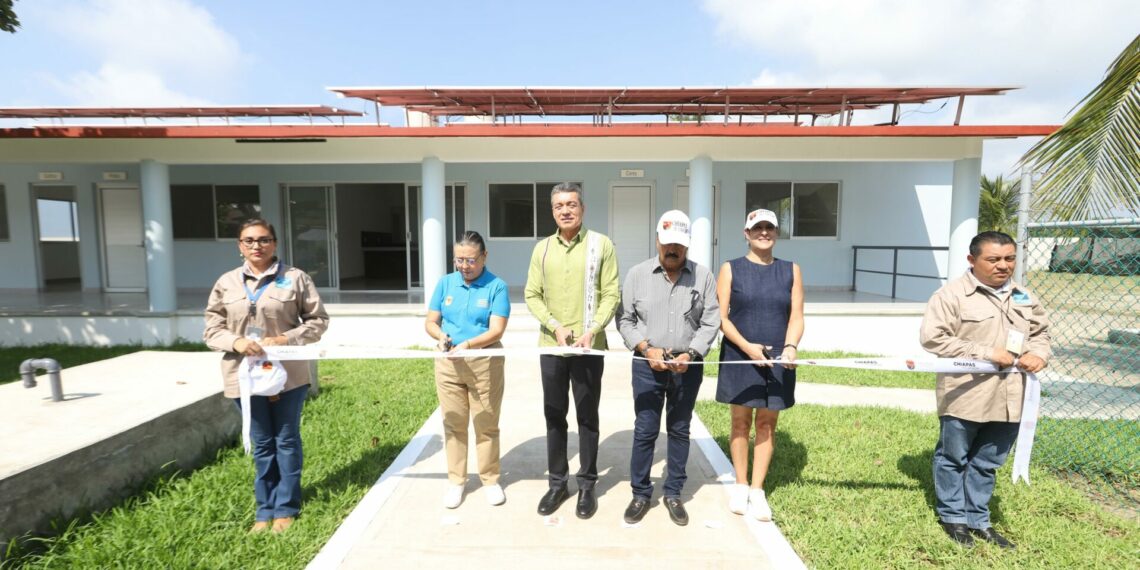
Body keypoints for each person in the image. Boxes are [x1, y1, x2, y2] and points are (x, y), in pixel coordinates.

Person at [920, 231, 1050, 549]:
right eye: (993, 259)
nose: (1003, 266)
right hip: (966, 394)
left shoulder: (1023, 296)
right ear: (972, 260)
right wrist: (985, 352)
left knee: (988, 462)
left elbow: (1040, 331)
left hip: (1011, 396)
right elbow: (932, 338)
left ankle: (978, 520)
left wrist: (1038, 354)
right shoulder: (951, 296)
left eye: (1009, 259)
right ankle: (953, 518)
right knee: (953, 457)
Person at [204, 218, 328, 534]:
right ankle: (264, 510)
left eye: (263, 240)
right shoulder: (227, 282)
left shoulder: (295, 278)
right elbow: (212, 329)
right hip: (243, 376)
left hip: (288, 375)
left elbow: (318, 321)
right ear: (239, 246)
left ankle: (286, 508)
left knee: (286, 440)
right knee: (261, 443)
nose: (256, 246)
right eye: (249, 240)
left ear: (274, 243)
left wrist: (285, 339)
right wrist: (236, 342)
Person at [616, 210, 720, 526]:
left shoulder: (703, 277)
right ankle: (640, 494)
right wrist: (647, 349)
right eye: (668, 243)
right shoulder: (637, 274)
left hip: (687, 366)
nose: (672, 250)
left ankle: (674, 492)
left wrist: (692, 353)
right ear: (658, 240)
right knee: (645, 429)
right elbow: (624, 319)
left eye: (679, 244)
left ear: (687, 246)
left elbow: (710, 320)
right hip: (647, 364)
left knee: (679, 428)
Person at [524, 182, 620, 519]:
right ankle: (557, 483)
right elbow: (531, 294)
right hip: (552, 346)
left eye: (572, 204)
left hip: (589, 349)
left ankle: (587, 484)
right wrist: (555, 326)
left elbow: (611, 293)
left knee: (587, 417)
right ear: (552, 211)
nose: (566, 210)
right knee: (554, 416)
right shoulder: (543, 249)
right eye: (559, 205)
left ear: (582, 208)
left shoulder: (601, 245)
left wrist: (592, 330)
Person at [715, 208, 804, 521]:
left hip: (778, 357)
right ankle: (740, 484)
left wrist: (791, 347)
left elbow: (796, 316)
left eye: (769, 227)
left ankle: (757, 489)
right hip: (741, 353)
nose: (763, 232)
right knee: (740, 422)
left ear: (777, 233)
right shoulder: (730, 268)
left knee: (767, 423)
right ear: (746, 233)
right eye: (757, 228)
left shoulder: (791, 270)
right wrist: (747, 348)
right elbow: (721, 317)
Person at [424, 231, 511, 508]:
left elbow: (497, 329)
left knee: (486, 425)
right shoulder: (446, 284)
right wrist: (440, 336)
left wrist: (469, 345)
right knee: (454, 424)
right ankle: (456, 481)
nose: (464, 266)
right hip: (449, 364)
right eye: (459, 260)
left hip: (484, 363)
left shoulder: (497, 286)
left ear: (484, 257)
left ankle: (490, 479)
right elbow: (431, 321)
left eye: (470, 260)